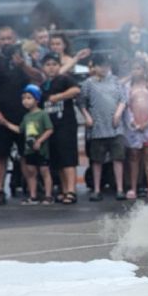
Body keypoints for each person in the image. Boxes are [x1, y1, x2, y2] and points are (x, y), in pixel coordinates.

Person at [0, 24, 42, 204]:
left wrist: (23, 66)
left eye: (10, 39)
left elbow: (39, 78)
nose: (7, 42)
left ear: (15, 40)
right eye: (3, 39)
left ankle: (32, 191)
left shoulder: (25, 60)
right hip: (1, 117)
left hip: (25, 116)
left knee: (27, 153)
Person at [80, 53, 127, 201]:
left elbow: (123, 99)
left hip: (115, 127)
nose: (104, 68)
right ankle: (96, 189)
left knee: (118, 159)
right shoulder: (88, 83)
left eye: (106, 65)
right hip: (97, 128)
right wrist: (87, 116)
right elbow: (81, 102)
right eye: (101, 65)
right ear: (94, 67)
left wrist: (118, 113)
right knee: (97, 160)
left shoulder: (115, 81)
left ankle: (120, 189)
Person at [40, 53, 82, 204]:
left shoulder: (64, 79)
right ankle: (64, 189)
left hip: (66, 124)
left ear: (59, 65)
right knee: (57, 159)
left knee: (68, 159)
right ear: (43, 68)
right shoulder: (44, 85)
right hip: (51, 126)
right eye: (47, 65)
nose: (51, 67)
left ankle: (71, 190)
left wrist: (59, 97)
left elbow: (76, 90)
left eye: (54, 64)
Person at [121, 56, 148, 201]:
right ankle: (133, 187)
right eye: (133, 68)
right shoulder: (128, 87)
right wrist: (133, 123)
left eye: (138, 68)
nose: (135, 71)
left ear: (144, 70)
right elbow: (126, 107)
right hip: (133, 128)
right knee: (134, 157)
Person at [17, 85, 54, 205]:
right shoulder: (26, 117)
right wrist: (5, 123)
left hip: (41, 149)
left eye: (29, 97)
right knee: (31, 171)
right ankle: (33, 196)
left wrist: (39, 141)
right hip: (29, 149)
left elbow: (49, 129)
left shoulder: (42, 114)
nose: (25, 101)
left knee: (44, 171)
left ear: (37, 100)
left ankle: (48, 195)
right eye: (23, 98)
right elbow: (20, 130)